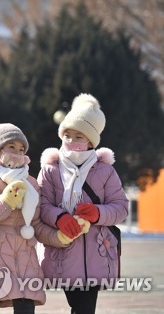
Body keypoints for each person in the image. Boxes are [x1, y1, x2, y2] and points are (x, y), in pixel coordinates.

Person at [0, 119, 69, 314]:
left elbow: (36, 224)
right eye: (11, 146)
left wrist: (59, 237)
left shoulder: (30, 183)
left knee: (26, 309)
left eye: (21, 149)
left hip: (25, 259)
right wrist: (5, 203)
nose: (18, 152)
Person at [38, 93, 128, 314]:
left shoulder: (105, 170)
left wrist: (97, 213)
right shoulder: (50, 169)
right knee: (79, 306)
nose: (70, 141)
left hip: (95, 253)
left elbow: (121, 207)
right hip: (63, 249)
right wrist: (59, 218)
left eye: (78, 136)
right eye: (67, 134)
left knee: (84, 308)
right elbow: (42, 205)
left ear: (90, 140)